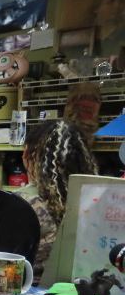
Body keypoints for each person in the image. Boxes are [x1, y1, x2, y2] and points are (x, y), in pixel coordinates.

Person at [16, 120, 99, 282]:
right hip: (84, 291)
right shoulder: (95, 200)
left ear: (28, 156)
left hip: (30, 293)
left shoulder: (22, 202)